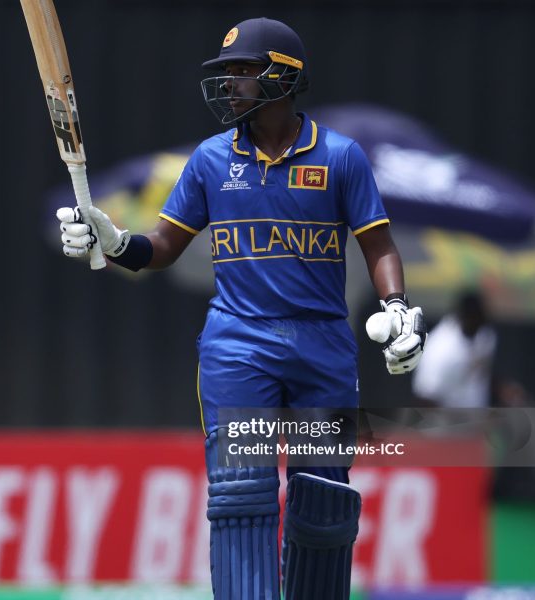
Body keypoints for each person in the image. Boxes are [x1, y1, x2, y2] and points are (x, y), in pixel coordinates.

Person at [56, 18, 426, 600]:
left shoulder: (340, 156)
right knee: (241, 494)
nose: (228, 84)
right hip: (239, 346)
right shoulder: (210, 160)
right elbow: (164, 247)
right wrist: (115, 242)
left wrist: (397, 306)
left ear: (283, 76)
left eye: (242, 71)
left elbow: (378, 245)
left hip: (323, 346)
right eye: (225, 72)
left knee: (324, 500)